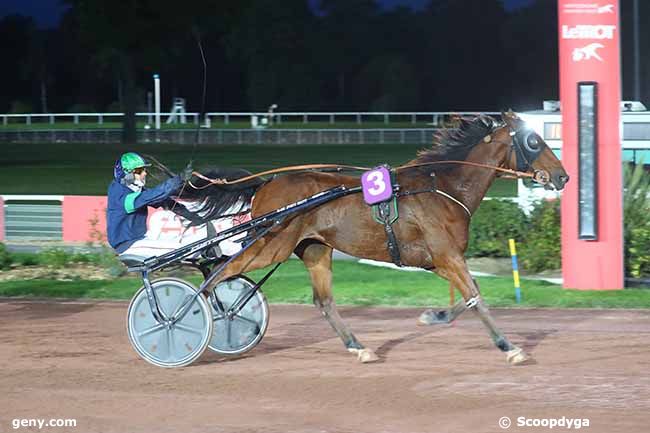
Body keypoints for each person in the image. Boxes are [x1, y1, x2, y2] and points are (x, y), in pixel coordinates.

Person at [107, 152, 199, 258]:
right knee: (183, 250)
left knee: (183, 242)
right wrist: (179, 179)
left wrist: (194, 217)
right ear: (127, 174)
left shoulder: (133, 191)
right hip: (129, 245)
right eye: (139, 171)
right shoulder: (119, 194)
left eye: (144, 170)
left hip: (140, 240)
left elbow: (164, 201)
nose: (144, 173)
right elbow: (150, 196)